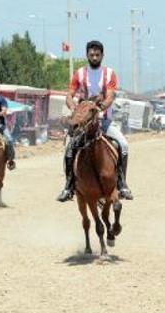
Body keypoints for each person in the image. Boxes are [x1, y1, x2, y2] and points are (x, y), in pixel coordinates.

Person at [56, 40, 134, 202]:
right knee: (70, 148)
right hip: (84, 124)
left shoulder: (109, 73)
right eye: (91, 54)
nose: (94, 57)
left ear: (102, 56)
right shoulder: (79, 74)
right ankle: (68, 186)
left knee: (123, 145)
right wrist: (73, 108)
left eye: (97, 54)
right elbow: (70, 94)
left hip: (103, 121)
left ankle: (122, 184)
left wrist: (100, 109)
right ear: (87, 55)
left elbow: (110, 96)